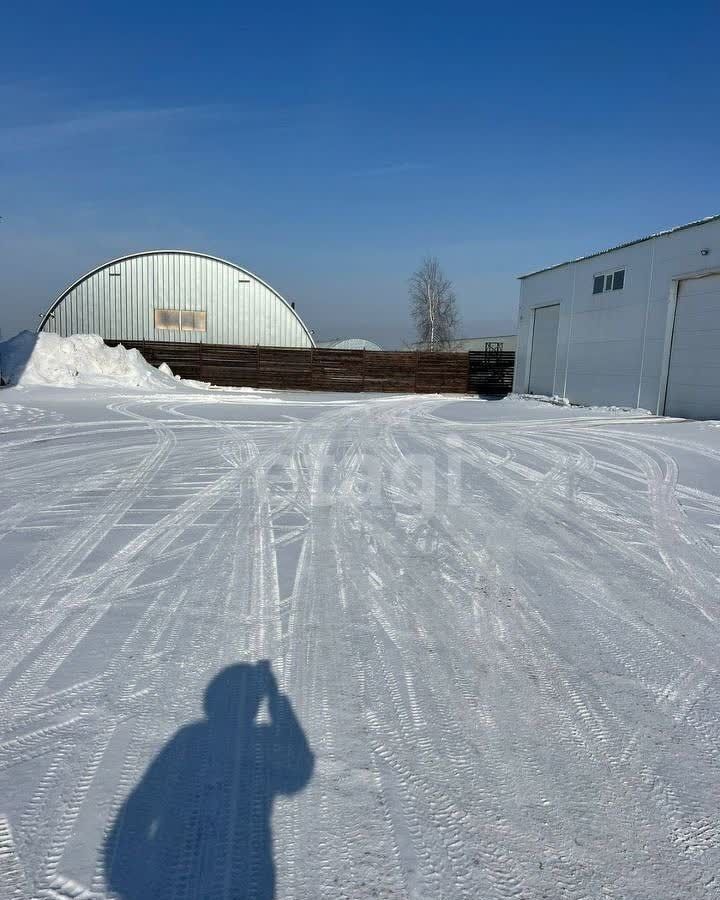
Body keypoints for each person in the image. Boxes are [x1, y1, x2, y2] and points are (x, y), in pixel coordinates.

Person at [105, 661, 313, 900]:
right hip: (248, 872)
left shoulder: (191, 735)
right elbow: (298, 771)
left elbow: (145, 797)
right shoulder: (260, 739)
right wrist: (276, 699)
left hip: (175, 860)